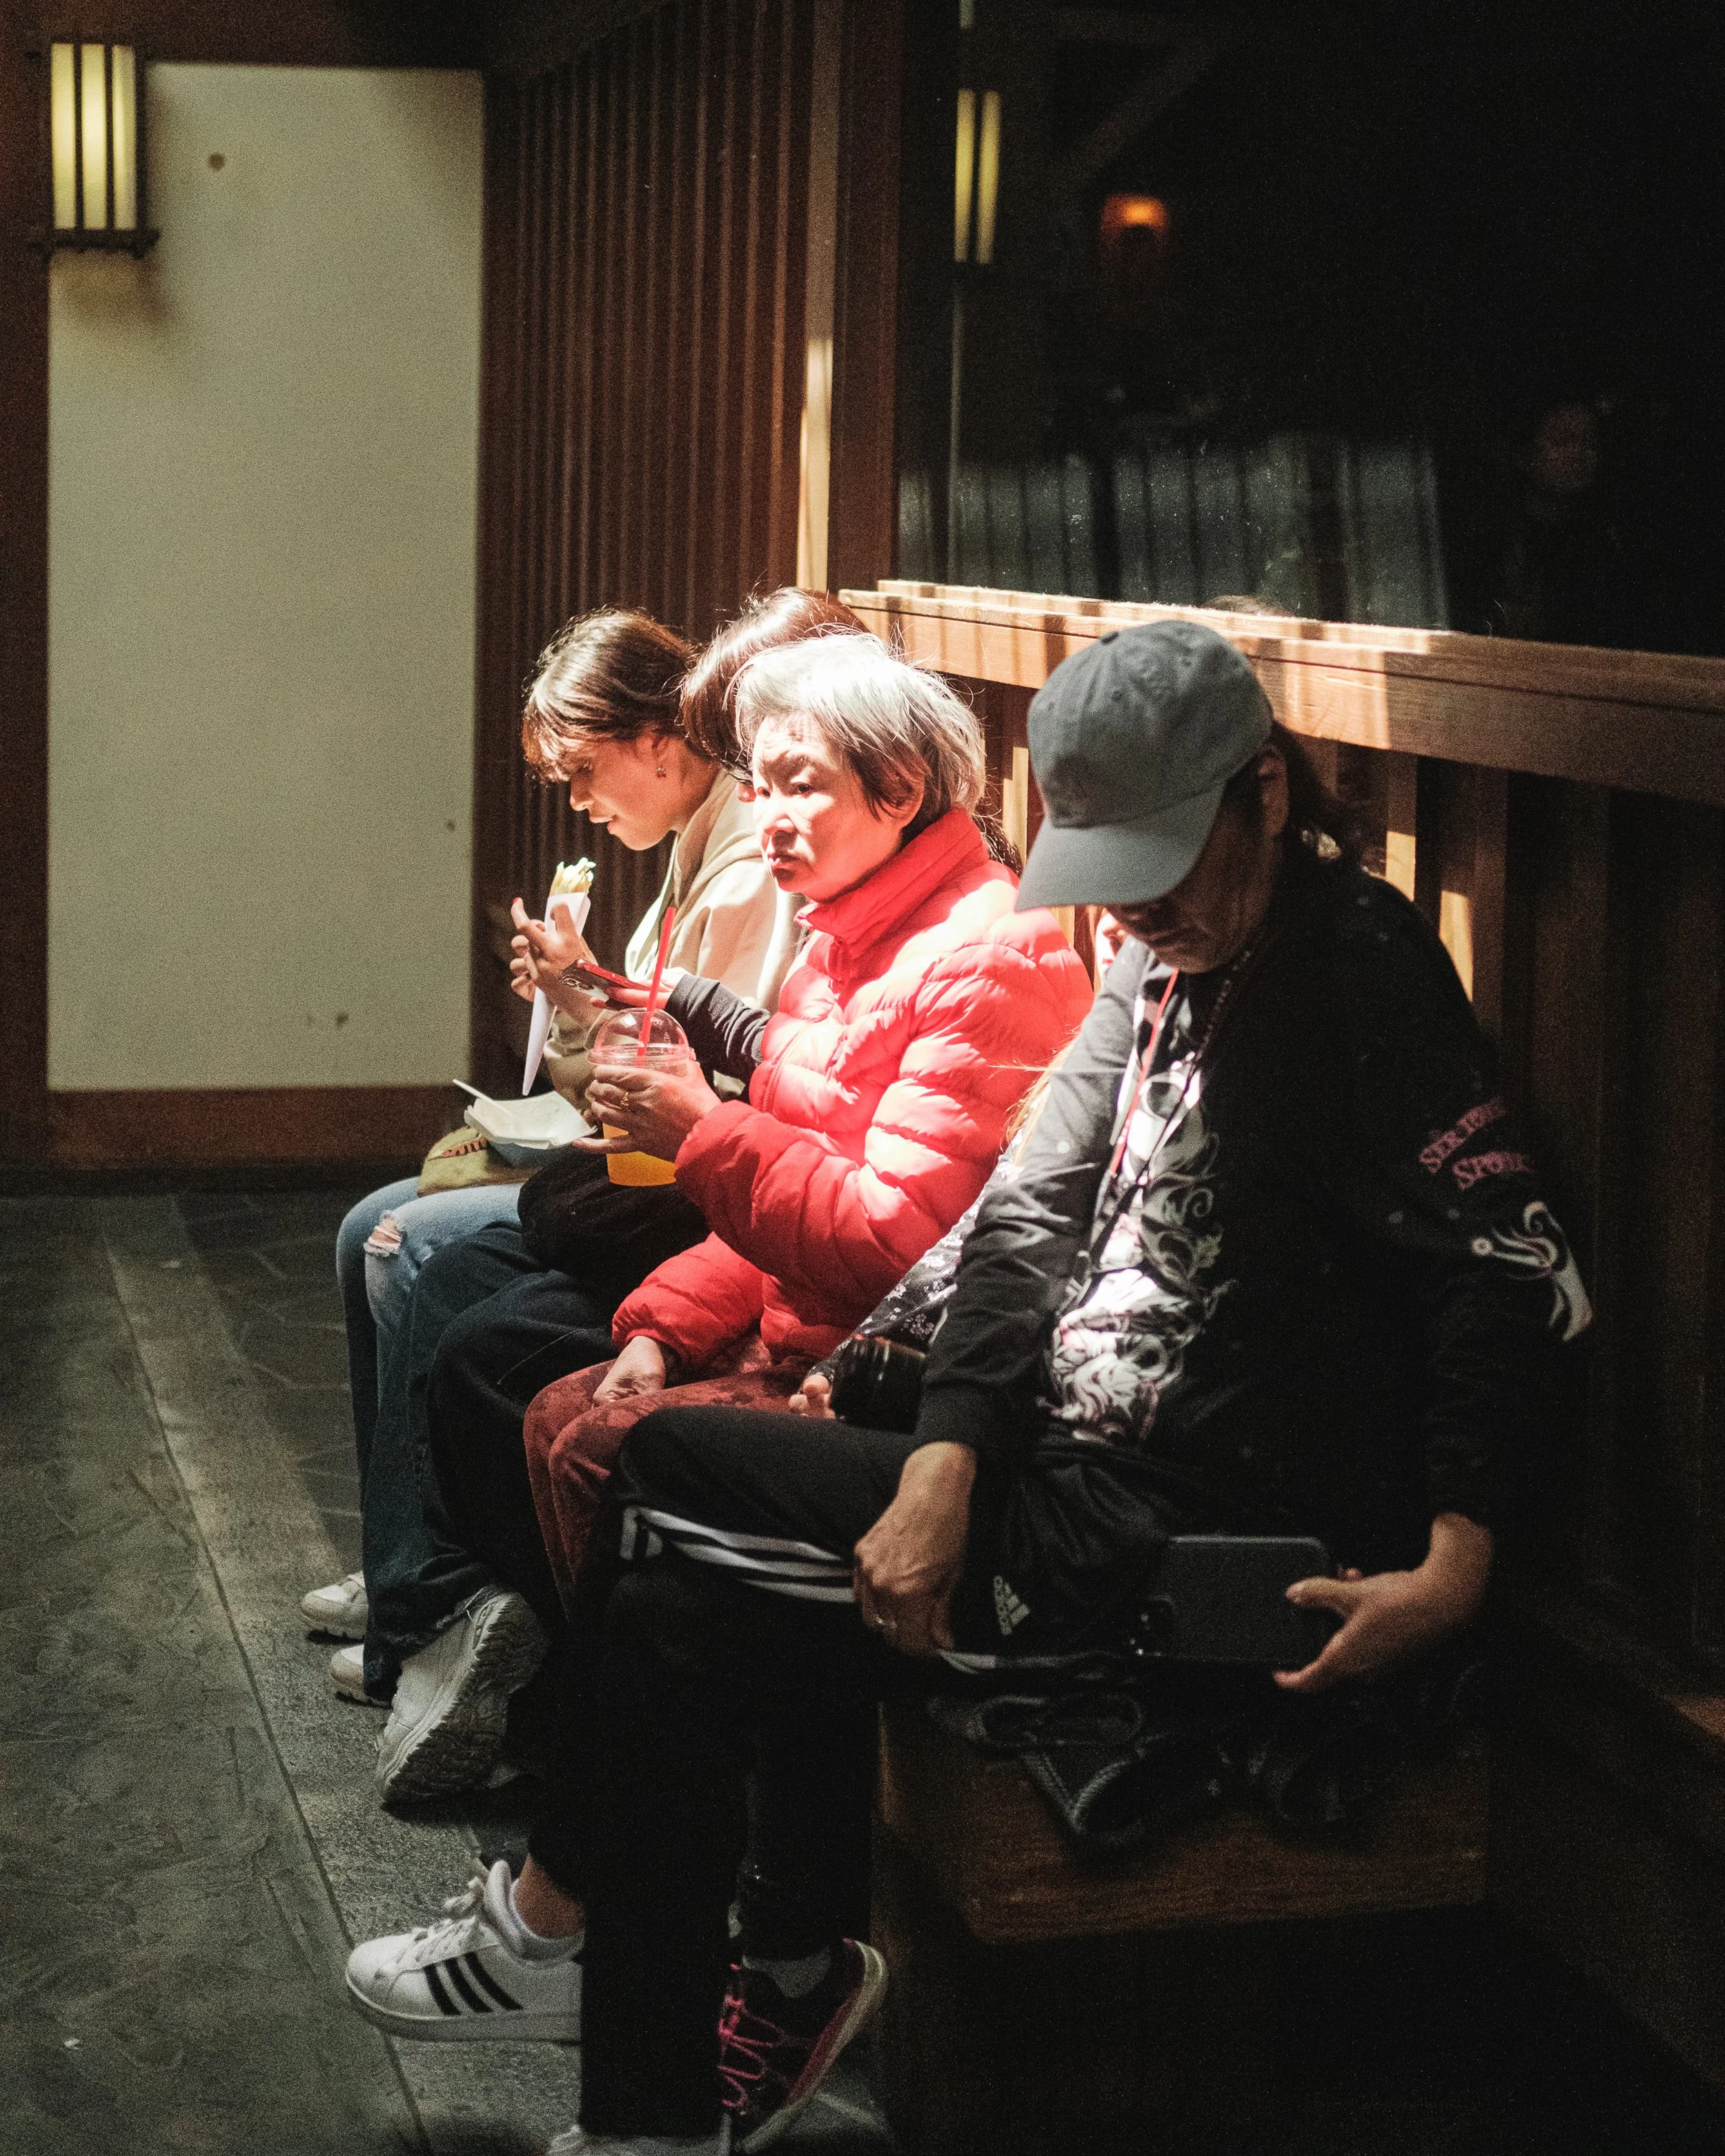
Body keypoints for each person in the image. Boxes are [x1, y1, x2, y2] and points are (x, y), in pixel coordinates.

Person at [345, 620, 1590, 2156]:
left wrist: (1456, 1559)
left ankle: (581, 1937)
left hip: (1206, 1541)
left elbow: (1499, 1262)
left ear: (1264, 792)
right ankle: (672, 2080)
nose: (1133, 901)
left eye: (1164, 856)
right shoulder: (1155, 958)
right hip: (1058, 1473)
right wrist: (933, 1451)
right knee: (685, 1561)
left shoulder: (1355, 962)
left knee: (673, 1507)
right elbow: (1019, 1217)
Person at [371, 631, 1094, 1804]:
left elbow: (902, 1249)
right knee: (538, 1373)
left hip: (880, 1370)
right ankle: (570, 1746)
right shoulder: (843, 927)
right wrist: (665, 1321)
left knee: (584, 1417)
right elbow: (796, 1174)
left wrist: (698, 1133)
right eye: (758, 782)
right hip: (803, 1319)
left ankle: (621, 1823)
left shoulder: (983, 954)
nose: (767, 815)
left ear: (900, 789)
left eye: (798, 781)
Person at [308, 594, 848, 1710]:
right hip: (681, 1174)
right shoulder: (704, 849)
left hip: (709, 1196)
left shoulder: (752, 859)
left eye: (584, 772)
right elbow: (634, 1058)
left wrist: (586, 1021)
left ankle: (433, 1599)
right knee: (383, 1224)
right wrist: (569, 1003)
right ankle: (408, 1564)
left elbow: (704, 1084)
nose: (580, 801)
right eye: (765, 765)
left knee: (419, 1250)